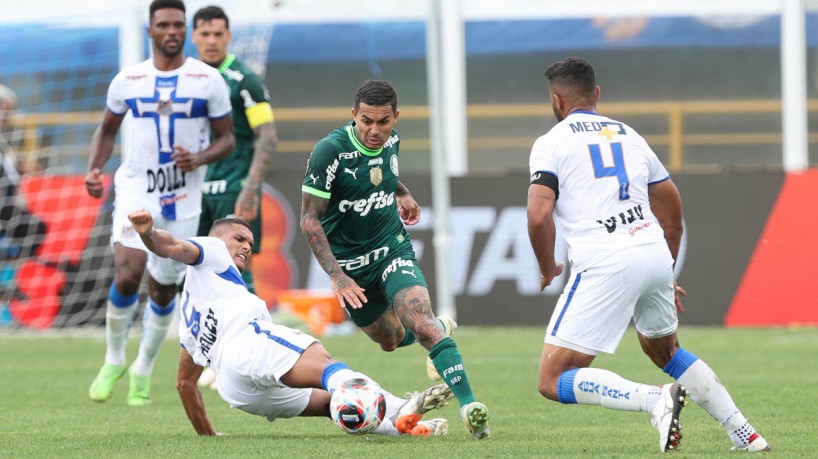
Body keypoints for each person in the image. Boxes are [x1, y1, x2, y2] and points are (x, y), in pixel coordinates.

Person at [526, 57, 769, 452]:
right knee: (666, 350)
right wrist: (666, 272)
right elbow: (672, 215)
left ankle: (654, 399)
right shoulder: (629, 135)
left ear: (556, 102)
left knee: (553, 379)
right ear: (597, 95)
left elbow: (538, 217)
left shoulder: (550, 143)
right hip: (653, 249)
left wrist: (547, 266)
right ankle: (746, 433)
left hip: (605, 259)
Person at [127, 209, 451, 437]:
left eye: (250, 244)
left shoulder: (191, 314)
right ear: (217, 238)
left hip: (236, 390)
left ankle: (401, 425)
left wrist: (208, 435)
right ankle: (400, 406)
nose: (245, 247)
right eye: (240, 238)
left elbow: (185, 384)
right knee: (326, 367)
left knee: (329, 403)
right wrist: (148, 233)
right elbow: (170, 246)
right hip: (247, 343)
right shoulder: (211, 249)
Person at [300, 79, 490, 440]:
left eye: (383, 122)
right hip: (351, 267)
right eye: (366, 121)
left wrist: (402, 193)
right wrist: (337, 276)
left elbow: (384, 175)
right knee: (387, 339)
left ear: (395, 118)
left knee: (419, 320)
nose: (374, 130)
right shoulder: (330, 152)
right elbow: (310, 218)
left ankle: (470, 407)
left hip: (391, 249)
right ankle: (438, 329)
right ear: (353, 115)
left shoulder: (392, 141)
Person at [85, 0, 235, 407]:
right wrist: (95, 169)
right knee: (128, 274)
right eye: (163, 25)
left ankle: (143, 367)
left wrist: (199, 158)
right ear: (150, 31)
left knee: (164, 288)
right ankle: (114, 358)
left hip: (183, 196)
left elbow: (228, 139)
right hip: (137, 188)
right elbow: (107, 130)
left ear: (184, 30)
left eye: (178, 25)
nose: (172, 31)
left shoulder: (207, 80)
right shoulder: (128, 79)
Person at [191, 5, 278, 294]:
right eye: (206, 34)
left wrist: (250, 188)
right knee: (194, 267)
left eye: (218, 33)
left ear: (228, 36)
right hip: (194, 190)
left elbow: (267, 136)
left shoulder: (245, 81)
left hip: (233, 187)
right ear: (194, 37)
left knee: (238, 265)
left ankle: (252, 333)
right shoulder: (187, 79)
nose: (212, 40)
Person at [0, 84, 46, 262]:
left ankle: (9, 266)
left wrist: (23, 168)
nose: (9, 117)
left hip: (8, 206)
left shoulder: (4, 144)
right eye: (6, 110)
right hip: (4, 206)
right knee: (34, 228)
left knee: (35, 228)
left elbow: (9, 167)